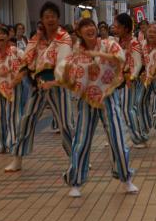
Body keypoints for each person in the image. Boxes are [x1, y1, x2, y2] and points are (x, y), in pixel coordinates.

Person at [56, 18, 138, 197]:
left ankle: (126, 178)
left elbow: (121, 58)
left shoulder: (109, 44)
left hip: (108, 96)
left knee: (117, 138)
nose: (89, 29)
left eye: (91, 25)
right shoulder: (77, 51)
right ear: (79, 32)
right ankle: (75, 182)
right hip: (87, 99)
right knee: (82, 140)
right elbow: (65, 68)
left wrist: (100, 56)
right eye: (84, 27)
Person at [4, 2, 73, 173]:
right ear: (42, 19)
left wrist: (54, 81)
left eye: (53, 16)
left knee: (66, 123)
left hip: (57, 84)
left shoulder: (64, 37)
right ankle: (17, 158)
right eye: (46, 16)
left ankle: (77, 158)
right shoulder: (36, 38)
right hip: (38, 84)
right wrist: (18, 77)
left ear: (58, 18)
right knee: (26, 119)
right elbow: (27, 59)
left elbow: (63, 63)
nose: (50, 19)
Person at [113, 13, 148, 147]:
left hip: (129, 79)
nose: (114, 29)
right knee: (125, 109)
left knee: (128, 109)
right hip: (120, 79)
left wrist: (131, 78)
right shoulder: (119, 42)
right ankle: (136, 135)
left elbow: (138, 63)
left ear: (125, 28)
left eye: (117, 27)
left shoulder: (133, 42)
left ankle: (138, 137)